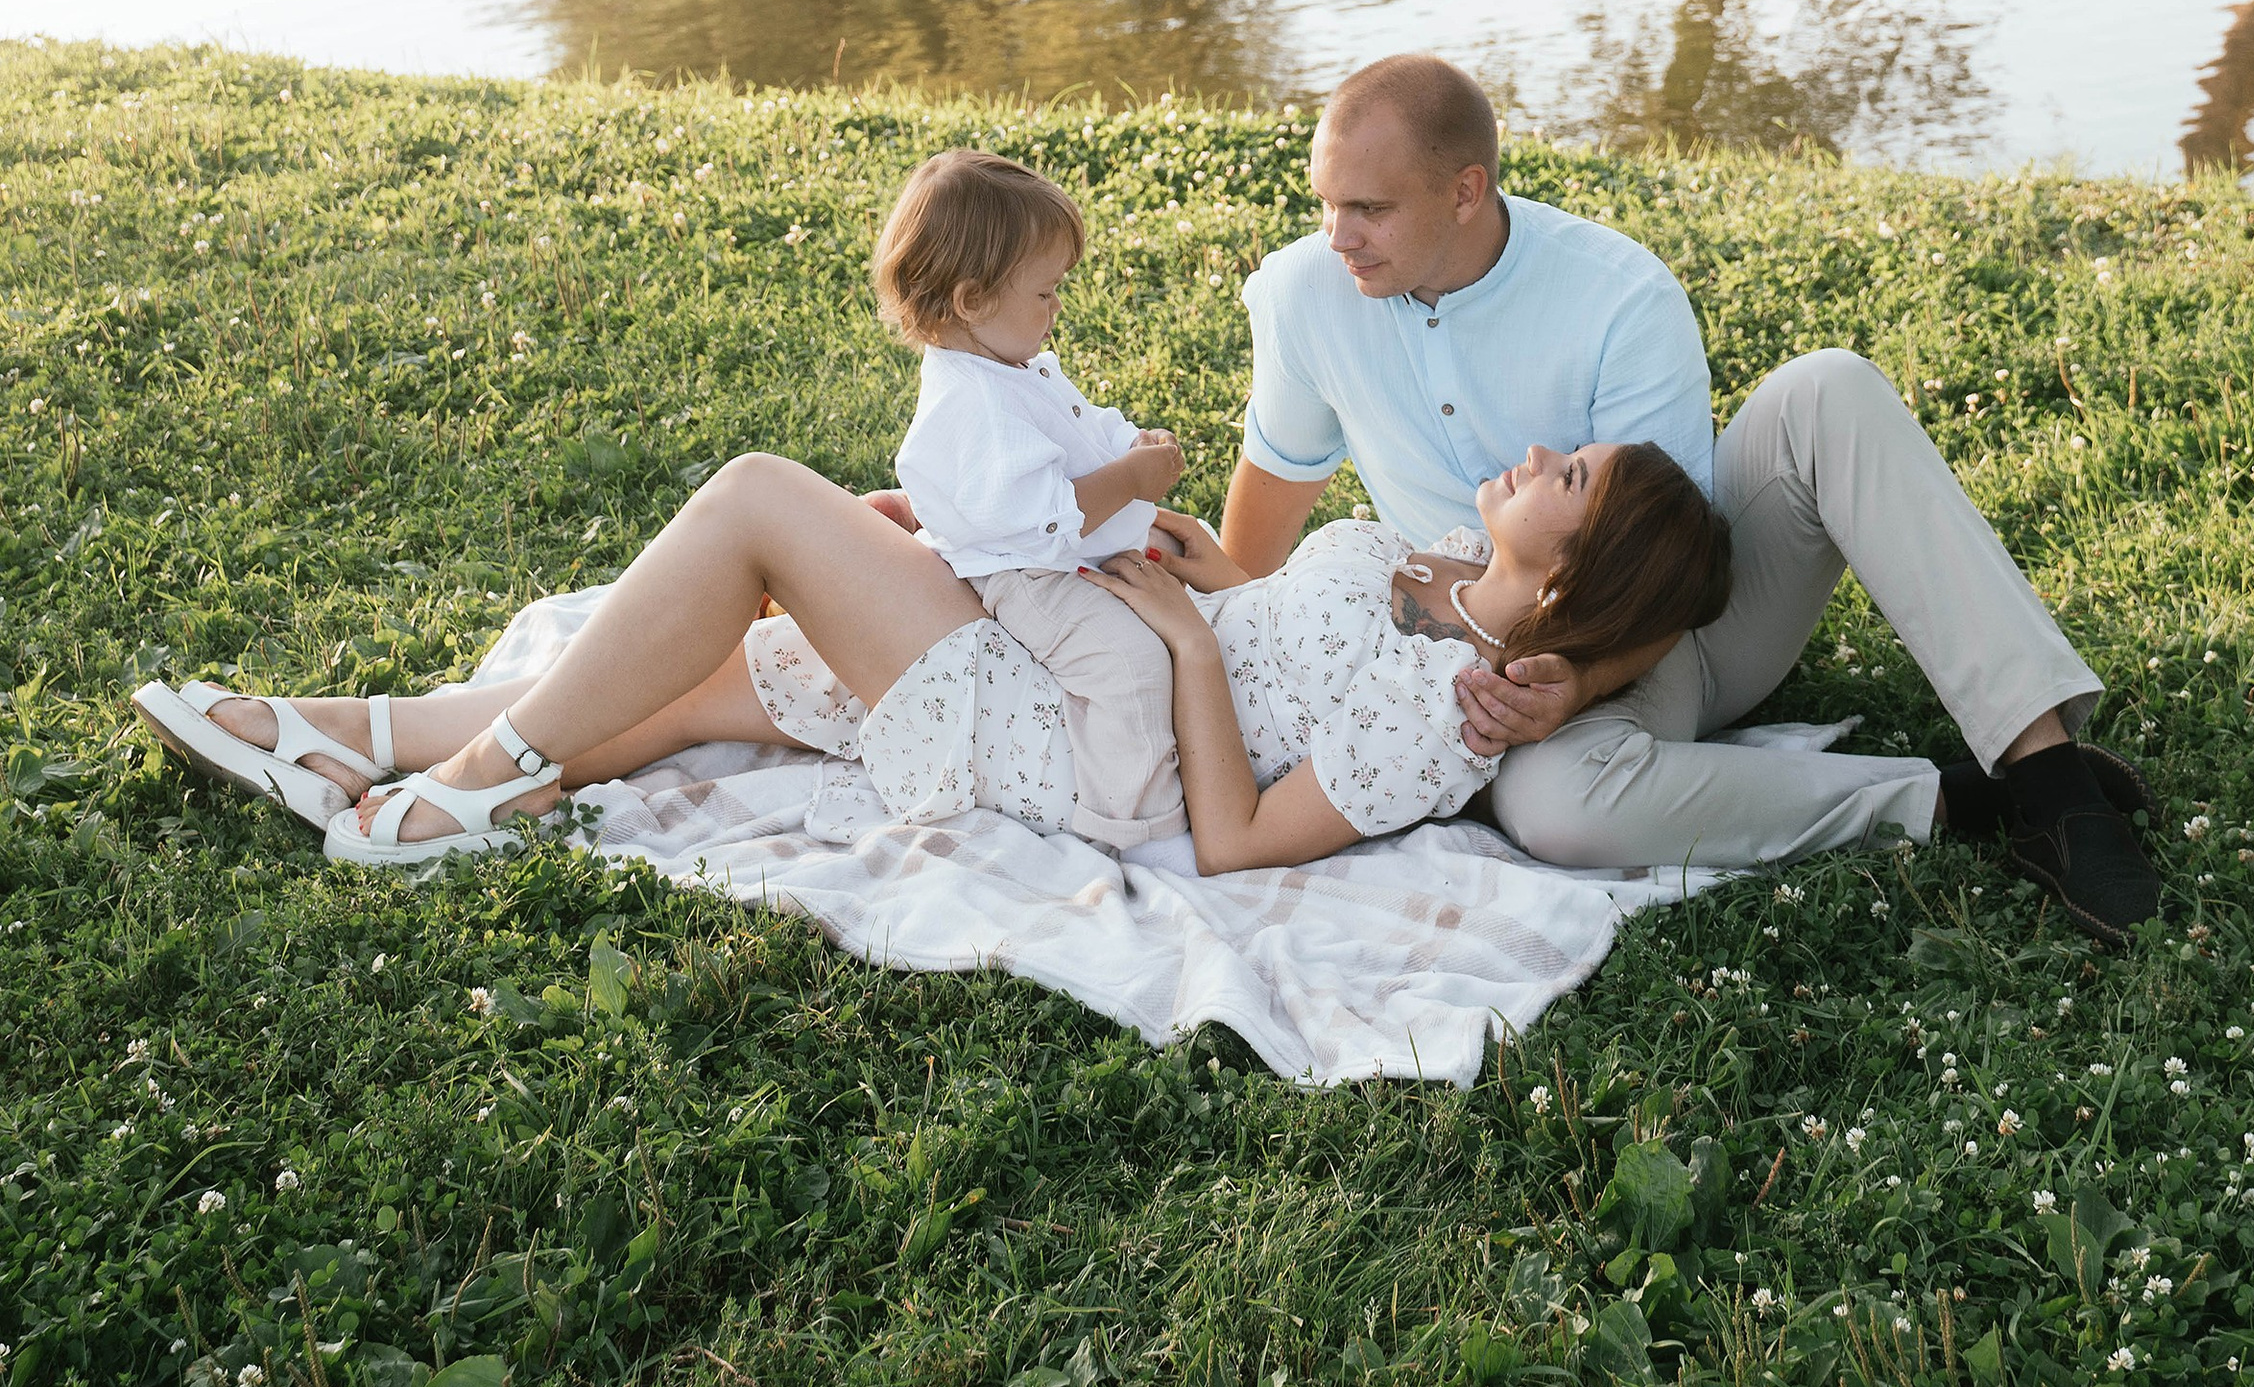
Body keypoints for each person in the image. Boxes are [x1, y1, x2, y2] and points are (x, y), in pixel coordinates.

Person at [1218, 52, 2162, 942]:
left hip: (1670, 635)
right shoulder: (1311, 292)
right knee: (1553, 808)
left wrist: (1580, 683)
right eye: (1328, 203)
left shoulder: (1615, 296)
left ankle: (2047, 778)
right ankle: (1954, 798)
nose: (1337, 235)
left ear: (1465, 191)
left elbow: (1666, 571)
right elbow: (1263, 523)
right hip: (1476, 682)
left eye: (1369, 209)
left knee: (1826, 390)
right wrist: (1204, 639)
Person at [131, 429, 1741, 876]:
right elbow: (1260, 606)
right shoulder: (1424, 563)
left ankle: (479, 785)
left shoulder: (1447, 721)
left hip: (1096, 752)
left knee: (763, 504)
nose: (1545, 452)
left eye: (1577, 478)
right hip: (1085, 639)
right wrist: (1143, 563)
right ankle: (351, 732)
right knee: (719, 671)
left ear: (1569, 588)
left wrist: (1181, 641)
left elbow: (1235, 838)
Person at [873, 148, 1185, 849]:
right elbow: (1048, 514)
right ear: (973, 300)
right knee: (1127, 665)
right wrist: (1133, 480)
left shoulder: (1007, 365)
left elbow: (1074, 425)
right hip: (1025, 572)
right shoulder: (969, 401)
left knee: (1173, 600)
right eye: (1044, 292)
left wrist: (1131, 443)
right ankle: (1132, 828)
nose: (1057, 306)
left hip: (1059, 551)